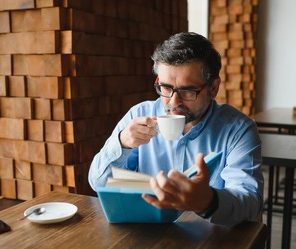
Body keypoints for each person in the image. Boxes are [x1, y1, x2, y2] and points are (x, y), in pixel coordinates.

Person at [88, 32, 264, 228]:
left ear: (213, 88)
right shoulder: (139, 115)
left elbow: (250, 203)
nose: (173, 102)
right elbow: (98, 183)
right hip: (148, 236)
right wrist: (121, 143)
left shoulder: (238, 129)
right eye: (165, 87)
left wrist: (207, 201)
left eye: (188, 90)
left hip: (211, 243)